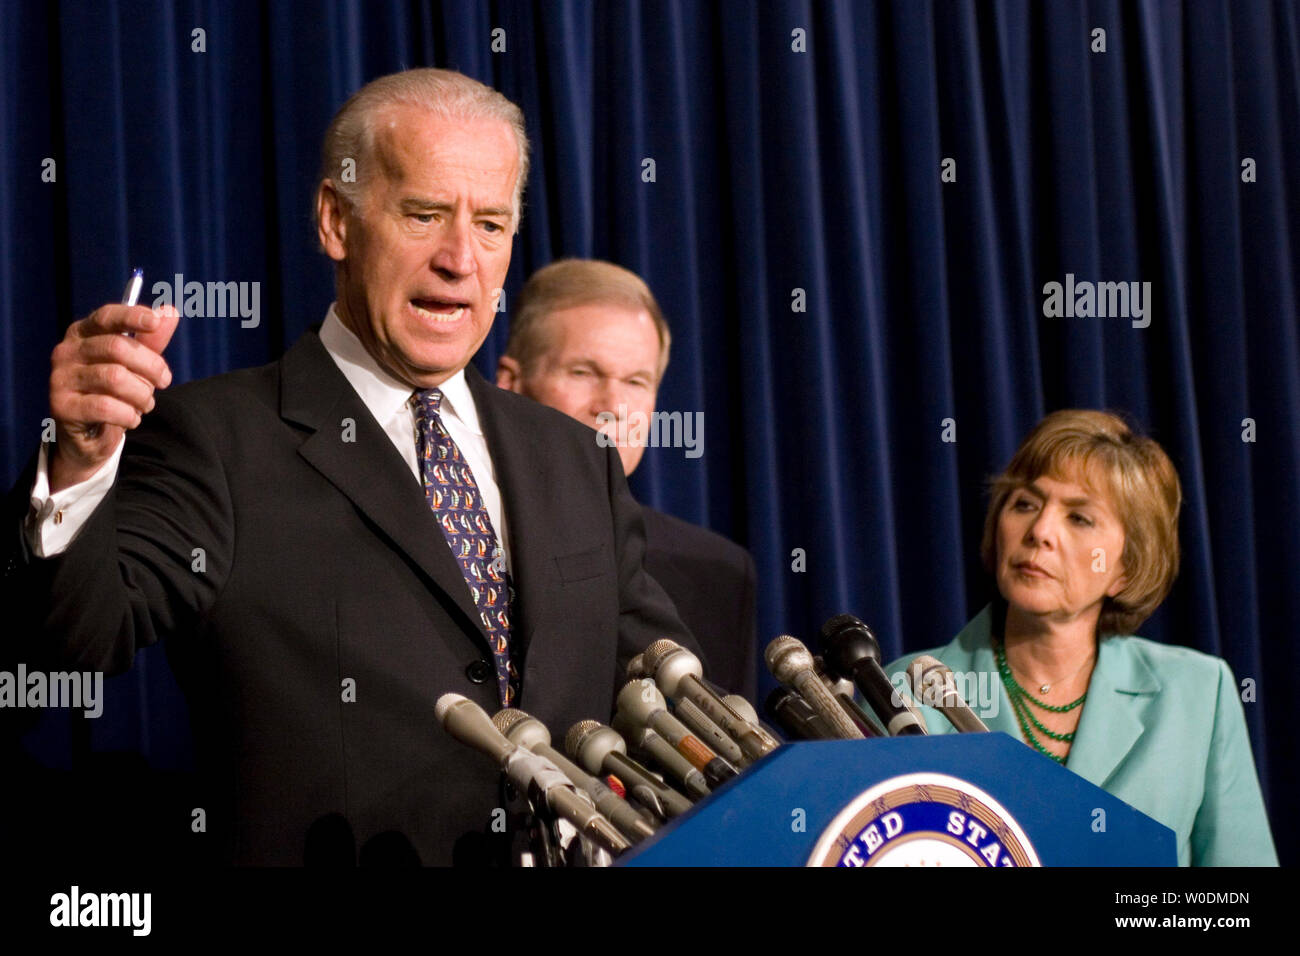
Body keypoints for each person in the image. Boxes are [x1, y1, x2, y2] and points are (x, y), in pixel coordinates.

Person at [4, 68, 700, 865]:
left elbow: (665, 699)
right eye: (425, 215)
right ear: (337, 221)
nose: (459, 260)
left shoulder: (573, 456)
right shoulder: (218, 437)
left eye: (492, 225)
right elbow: (76, 639)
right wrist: (81, 461)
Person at [887, 410, 1277, 866]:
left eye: (1079, 518)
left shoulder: (1197, 691)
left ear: (1126, 567)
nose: (1040, 532)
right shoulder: (907, 689)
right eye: (1025, 504)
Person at [495, 259, 758, 700]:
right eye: (582, 372)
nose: (614, 405)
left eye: (636, 381)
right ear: (511, 384)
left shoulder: (721, 574)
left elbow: (733, 760)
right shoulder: (456, 536)